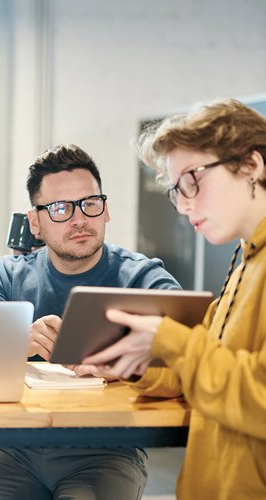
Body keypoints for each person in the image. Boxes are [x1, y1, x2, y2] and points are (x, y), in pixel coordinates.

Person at [0, 144, 181, 500]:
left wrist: (125, 365)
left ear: (105, 210)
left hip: (107, 451)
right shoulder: (7, 277)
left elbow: (189, 361)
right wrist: (15, 342)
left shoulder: (143, 278)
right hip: (12, 447)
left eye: (90, 203)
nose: (80, 219)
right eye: (59, 208)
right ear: (35, 222)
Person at [81, 99, 266, 500]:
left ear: (252, 166)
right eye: (176, 189)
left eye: (192, 180)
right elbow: (204, 375)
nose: (183, 204)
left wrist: (170, 339)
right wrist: (132, 362)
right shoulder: (247, 261)